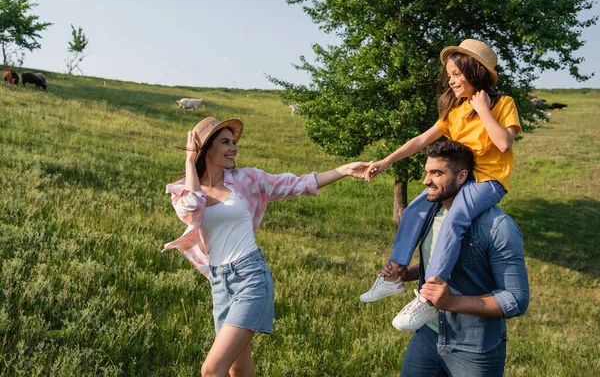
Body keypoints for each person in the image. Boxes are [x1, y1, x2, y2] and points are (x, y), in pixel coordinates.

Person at [162, 117, 369, 377]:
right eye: (225, 142)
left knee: (212, 370)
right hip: (219, 283)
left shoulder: (246, 179)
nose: (234, 148)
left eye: (234, 142)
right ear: (206, 149)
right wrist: (189, 163)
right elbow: (191, 207)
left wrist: (344, 170)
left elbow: (297, 184)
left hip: (250, 276)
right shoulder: (183, 191)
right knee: (238, 367)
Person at [359, 39, 521, 331]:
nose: (452, 80)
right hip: (458, 177)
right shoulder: (455, 111)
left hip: (487, 181)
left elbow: (504, 142)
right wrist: (385, 161)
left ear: (475, 72)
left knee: (455, 218)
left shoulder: (502, 104)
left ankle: (430, 294)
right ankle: (393, 276)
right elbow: (421, 140)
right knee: (414, 210)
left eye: (457, 74)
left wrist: (483, 108)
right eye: (450, 74)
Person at [397, 141, 529, 376]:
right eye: (427, 172)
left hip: (474, 348)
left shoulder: (498, 227)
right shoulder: (431, 215)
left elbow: (516, 299)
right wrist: (404, 274)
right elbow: (447, 263)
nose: (426, 181)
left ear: (462, 177)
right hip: (427, 336)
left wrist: (452, 303)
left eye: (437, 173)